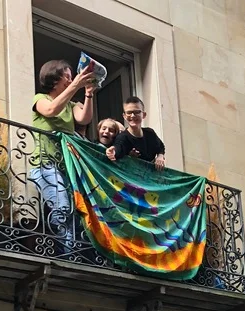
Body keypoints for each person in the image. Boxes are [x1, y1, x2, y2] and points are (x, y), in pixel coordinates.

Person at [30, 59, 96, 244]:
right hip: (45, 163)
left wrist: (89, 93)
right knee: (62, 207)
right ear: (54, 78)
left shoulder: (71, 105)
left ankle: (70, 252)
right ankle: (62, 251)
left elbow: (84, 119)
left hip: (66, 166)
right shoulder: (40, 98)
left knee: (74, 214)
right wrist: (76, 85)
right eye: (67, 76)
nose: (71, 80)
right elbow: (50, 110)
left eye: (72, 77)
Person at [111, 96, 167, 169]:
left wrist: (160, 157)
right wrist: (113, 151)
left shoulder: (150, 133)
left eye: (137, 112)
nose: (132, 116)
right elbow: (118, 150)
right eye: (129, 112)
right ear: (124, 116)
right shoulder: (122, 137)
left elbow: (161, 147)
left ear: (144, 115)